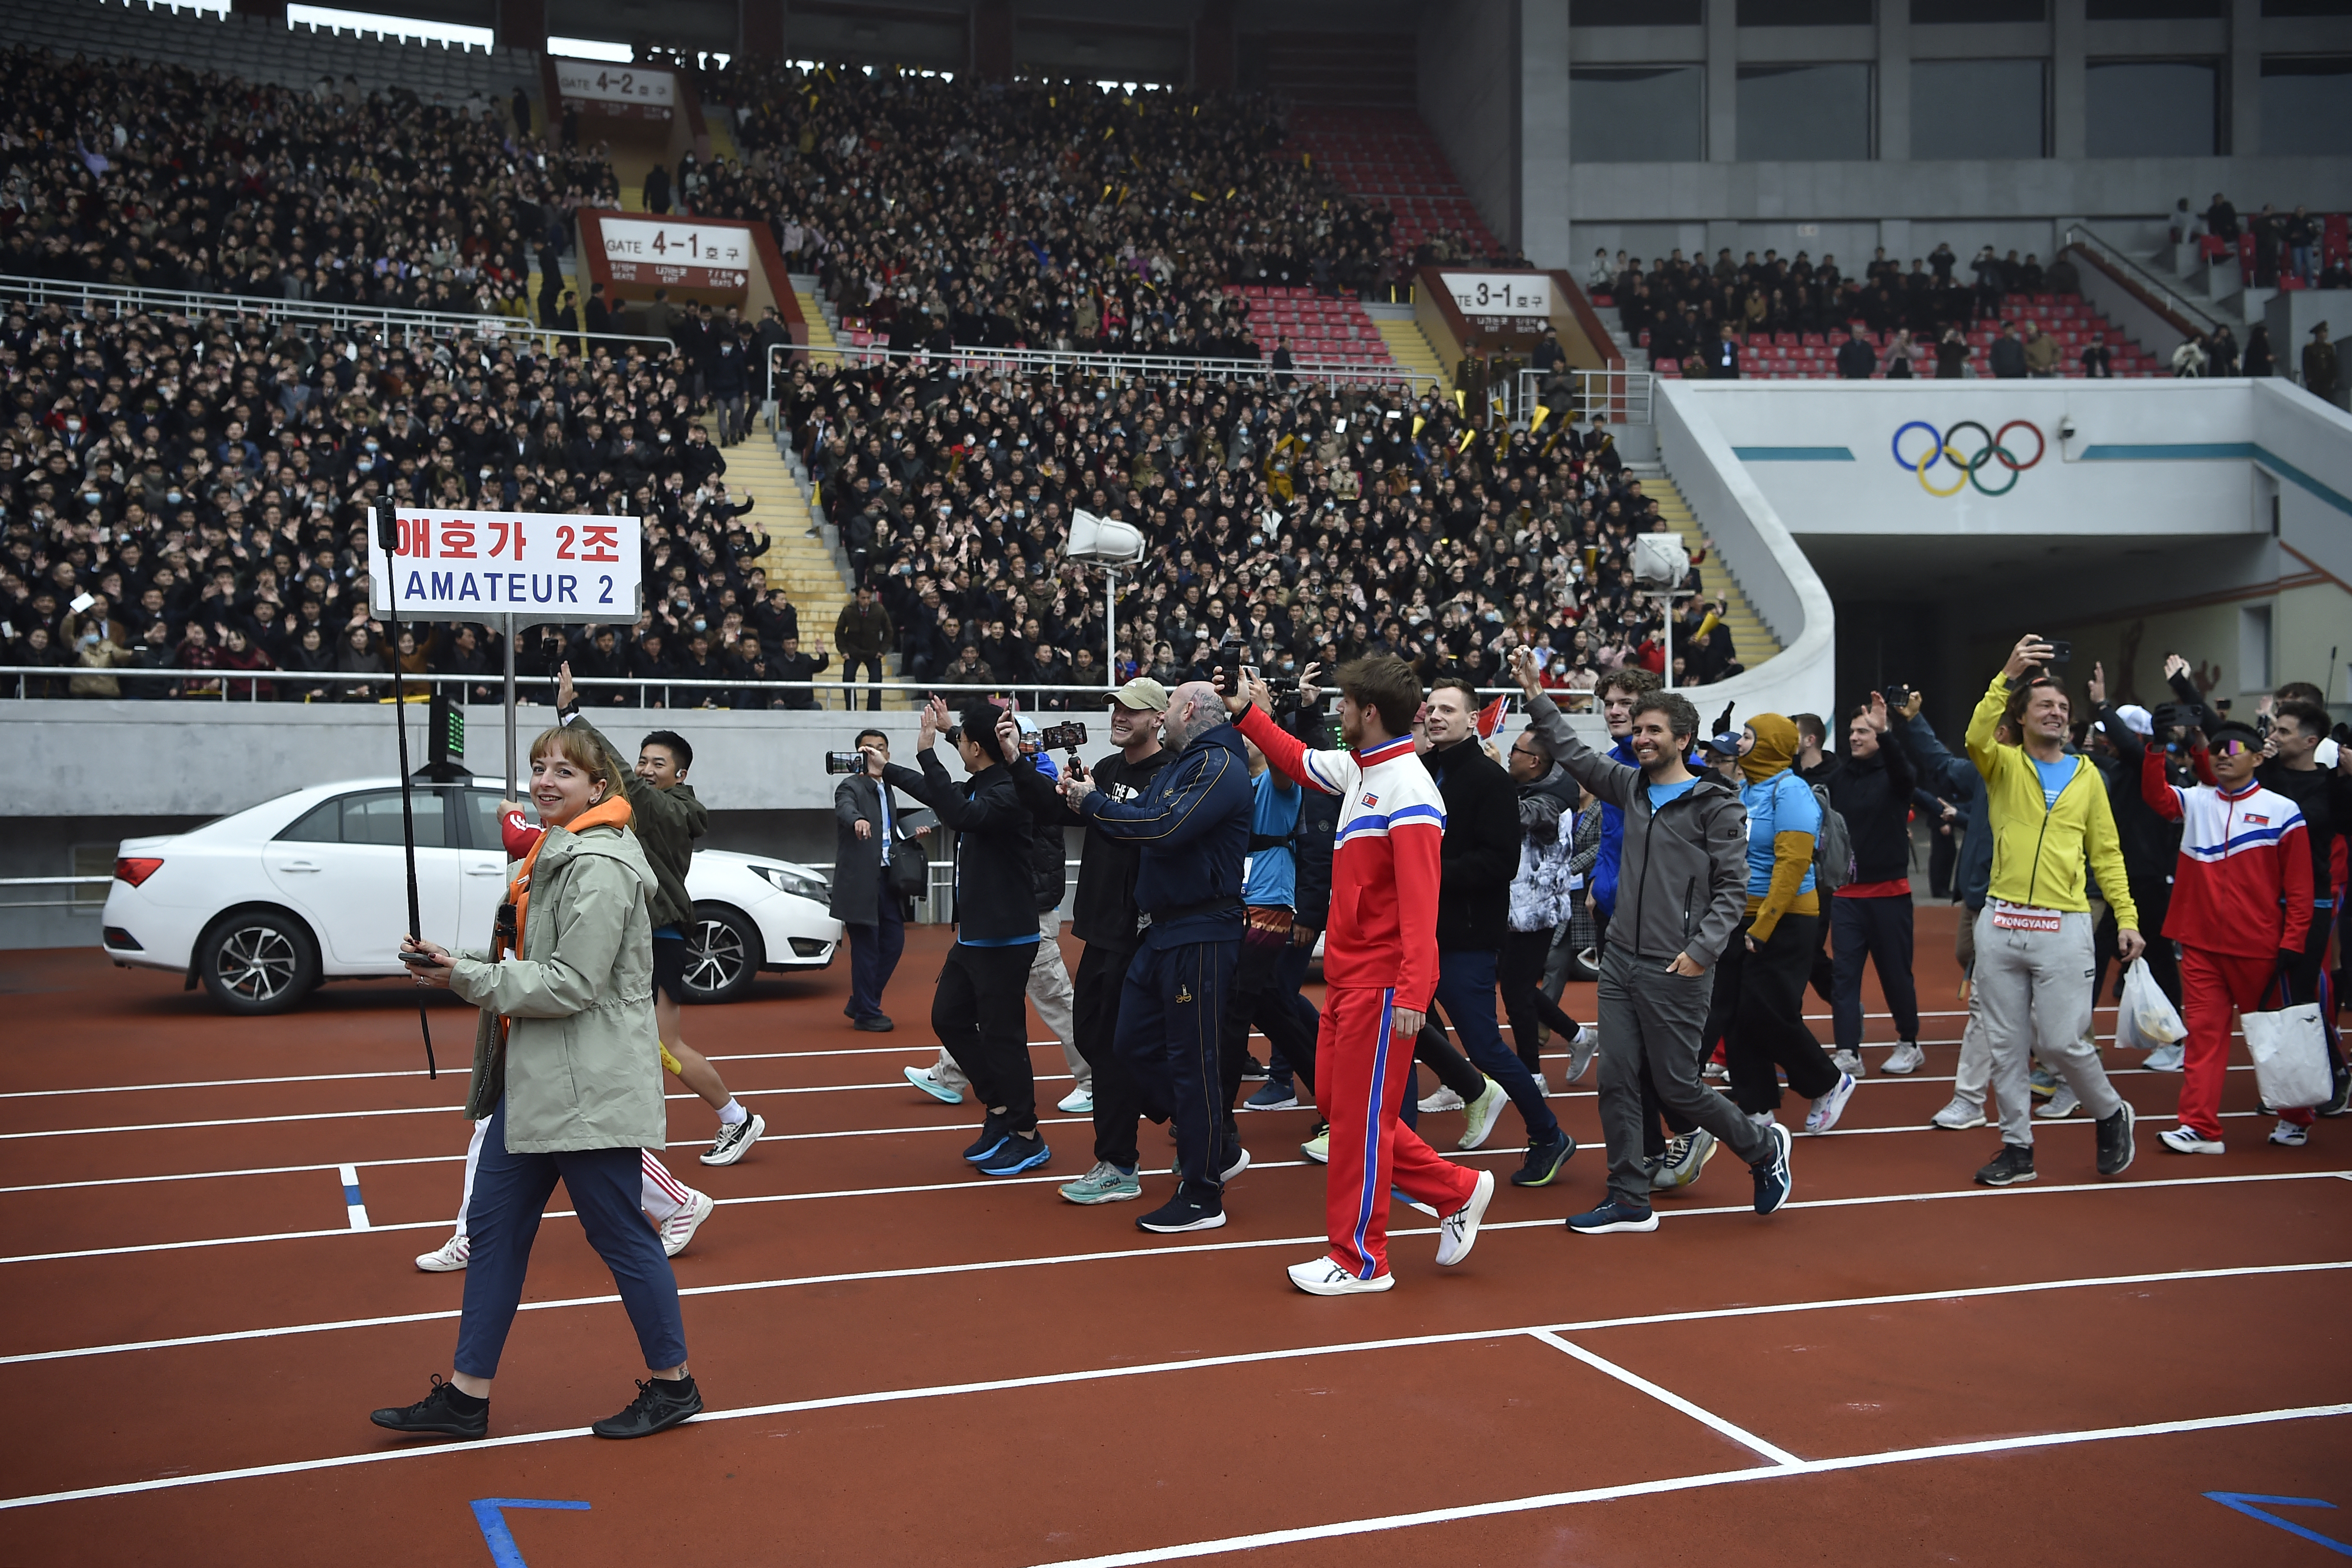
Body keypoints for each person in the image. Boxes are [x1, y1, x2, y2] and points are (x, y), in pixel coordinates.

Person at [375, 723, 702, 1442]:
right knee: (493, 1234)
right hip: (535, 1081)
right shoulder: (555, 849)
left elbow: (571, 983)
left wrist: (463, 976)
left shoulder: (601, 865)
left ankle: (675, 1384)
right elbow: (531, 955)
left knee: (621, 1235)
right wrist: (454, 960)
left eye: (564, 771)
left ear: (598, 787)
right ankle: (467, 1397)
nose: (546, 780)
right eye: (539, 767)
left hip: (585, 1085)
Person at [1222, 658, 1497, 1292]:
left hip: (1381, 983)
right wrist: (1247, 713)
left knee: (1358, 1125)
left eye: (1343, 703)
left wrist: (1413, 991)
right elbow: (1297, 759)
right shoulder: (1362, 769)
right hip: (1348, 980)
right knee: (1343, 1109)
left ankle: (1361, 1258)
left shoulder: (1410, 790)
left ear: (1368, 711)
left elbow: (1422, 904)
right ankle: (1455, 1189)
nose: (1336, 712)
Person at [1508, 647, 1793, 1234]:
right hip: (1620, 960)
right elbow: (1574, 752)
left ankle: (1763, 1147)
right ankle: (1629, 1196)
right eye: (1637, 729)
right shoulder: (1629, 786)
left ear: (1683, 739)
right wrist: (1536, 693)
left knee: (1678, 1086)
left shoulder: (1715, 804)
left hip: (1678, 966)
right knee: (1615, 1079)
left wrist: (1701, 951)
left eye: (1653, 730)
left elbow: (1733, 889)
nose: (1640, 738)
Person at [1062, 680, 1254, 1234]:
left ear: (1188, 709)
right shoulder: (1189, 763)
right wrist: (1095, 799)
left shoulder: (1218, 764)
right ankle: (1213, 1143)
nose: (1162, 714)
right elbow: (1144, 815)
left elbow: (1161, 827)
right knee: (1127, 1045)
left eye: (1168, 705)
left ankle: (1202, 1192)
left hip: (1200, 930)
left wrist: (1092, 802)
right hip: (1164, 930)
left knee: (1193, 1064)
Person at [553, 669, 762, 1165]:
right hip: (633, 936)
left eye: (658, 763)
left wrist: (572, 715)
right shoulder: (639, 805)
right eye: (643, 760)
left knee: (665, 1045)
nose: (646, 769)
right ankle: (609, 1130)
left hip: (661, 936)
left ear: (679, 775)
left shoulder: (670, 810)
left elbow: (621, 777)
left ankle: (737, 1117)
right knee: (622, 1038)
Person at [1964, 636, 2144, 1187]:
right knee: (2005, 1044)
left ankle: (2110, 1112)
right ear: (2019, 717)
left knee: (2063, 1042)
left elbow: (2106, 853)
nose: (2056, 713)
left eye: (2063, 707)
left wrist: (2127, 917)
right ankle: (2017, 1148)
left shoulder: (2089, 777)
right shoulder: (2001, 765)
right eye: (2044, 705)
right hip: (2001, 922)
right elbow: (1975, 735)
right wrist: (2006, 676)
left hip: (2064, 924)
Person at [1413, 677, 1576, 1186]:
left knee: (1484, 1046)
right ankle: (1403, 1129)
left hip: (1465, 936)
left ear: (1472, 719)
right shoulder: (1425, 769)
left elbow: (1501, 862)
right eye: (1431, 708)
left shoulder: (1488, 779)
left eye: (1448, 709)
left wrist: (1427, 869)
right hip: (1422, 931)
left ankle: (1547, 1133)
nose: (1435, 716)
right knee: (1401, 1026)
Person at [1020, 678, 1175, 1206]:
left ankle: (1121, 1160)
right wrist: (1019, 761)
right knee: (1093, 1039)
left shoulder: (1169, 773)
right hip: (1100, 928)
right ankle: (1192, 1120)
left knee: (1122, 1049)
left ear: (1157, 718)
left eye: (1131, 710)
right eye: (1115, 708)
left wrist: (1094, 802)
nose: (1119, 716)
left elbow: (1143, 829)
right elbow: (1055, 812)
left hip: (1142, 933)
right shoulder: (1107, 769)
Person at [883, 697, 1048, 1177]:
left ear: (976, 748)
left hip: (1006, 937)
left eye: (962, 740)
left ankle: (1026, 1133)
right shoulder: (983, 781)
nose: (957, 745)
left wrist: (927, 750)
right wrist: (885, 767)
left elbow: (958, 812)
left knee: (1004, 1037)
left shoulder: (1009, 789)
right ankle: (999, 1107)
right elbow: (941, 795)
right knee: (949, 1018)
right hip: (976, 935)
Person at [2144, 719, 2314, 1153]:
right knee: (2203, 1037)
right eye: (2217, 747)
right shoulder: (2196, 800)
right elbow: (2156, 797)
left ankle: (2295, 1116)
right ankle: (2199, 1128)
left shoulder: (2282, 810)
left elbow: (2299, 888)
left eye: (2234, 748)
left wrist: (2293, 942)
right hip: (2199, 946)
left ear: (2257, 758)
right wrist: (2155, 747)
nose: (2223, 753)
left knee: (2274, 1038)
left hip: (2259, 949)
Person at [913, 716, 1091, 1112]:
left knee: (1055, 1001)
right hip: (1011, 912)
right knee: (981, 1003)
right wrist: (949, 732)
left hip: (1030, 912)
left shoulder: (1031, 785)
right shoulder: (1013, 778)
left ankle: (1094, 1077)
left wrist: (936, 746)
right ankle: (951, 1074)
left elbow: (981, 799)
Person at [1713, 715, 1855, 1134]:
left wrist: (1763, 926)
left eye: (1747, 736)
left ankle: (1827, 1082)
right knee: (1735, 1013)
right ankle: (1756, 1105)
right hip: (1740, 914)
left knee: (1766, 1012)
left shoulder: (1790, 790)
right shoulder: (1745, 789)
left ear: (1771, 744)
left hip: (1785, 918)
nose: (1740, 743)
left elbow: (1792, 864)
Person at [2260, 697, 2352, 1115]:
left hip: (2312, 901)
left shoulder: (2331, 785)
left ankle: (2333, 1074)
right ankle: (2289, 1086)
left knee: (2299, 993)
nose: (2274, 737)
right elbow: (2223, 747)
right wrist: (2185, 690)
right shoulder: (2264, 772)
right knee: (2270, 995)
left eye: (2283, 731)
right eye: (2273, 729)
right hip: (2265, 899)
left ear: (2310, 740)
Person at [1828, 694, 1924, 1076]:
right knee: (1843, 977)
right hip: (1846, 896)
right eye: (1852, 731)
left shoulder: (1896, 777)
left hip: (1889, 895)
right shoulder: (1839, 779)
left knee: (1895, 974)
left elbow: (1905, 774)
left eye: (1863, 732)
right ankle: (1847, 1051)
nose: (1854, 737)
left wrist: (1885, 733)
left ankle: (1909, 1042)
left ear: (1879, 737)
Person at [1501, 723, 1596, 1092]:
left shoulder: (1551, 800)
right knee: (1519, 988)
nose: (1509, 755)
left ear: (1534, 761)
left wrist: (1488, 777)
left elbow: (1514, 817)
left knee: (1517, 993)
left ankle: (1533, 1075)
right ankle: (1578, 1036)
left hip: (1535, 911)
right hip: (1515, 907)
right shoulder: (1531, 786)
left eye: (1515, 750)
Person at [832, 726, 918, 1032]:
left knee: (894, 942)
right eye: (867, 749)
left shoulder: (888, 787)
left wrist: (911, 832)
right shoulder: (850, 786)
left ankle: (861, 1001)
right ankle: (867, 1013)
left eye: (880, 748)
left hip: (887, 877)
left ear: (888, 754)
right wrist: (857, 820)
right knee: (866, 948)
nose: (874, 754)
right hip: (860, 880)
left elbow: (889, 832)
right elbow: (845, 809)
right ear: (858, 755)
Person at [835, 584, 895, 711]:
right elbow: (839, 631)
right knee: (848, 678)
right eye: (863, 598)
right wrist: (844, 651)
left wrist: (882, 651)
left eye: (869, 598)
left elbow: (889, 631)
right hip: (853, 651)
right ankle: (851, 709)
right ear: (857, 598)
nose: (866, 601)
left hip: (873, 651)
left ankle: (874, 710)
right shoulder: (848, 611)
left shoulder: (879, 610)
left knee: (876, 681)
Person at [2304, 321, 2339, 405]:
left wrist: (2334, 377)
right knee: (2315, 401)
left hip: (2327, 379)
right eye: (2323, 332)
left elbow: (2333, 363)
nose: (2325, 335)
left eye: (2326, 332)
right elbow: (2306, 364)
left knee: (2327, 401)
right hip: (2315, 380)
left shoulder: (2329, 347)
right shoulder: (2309, 348)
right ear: (2318, 334)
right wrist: (2308, 377)